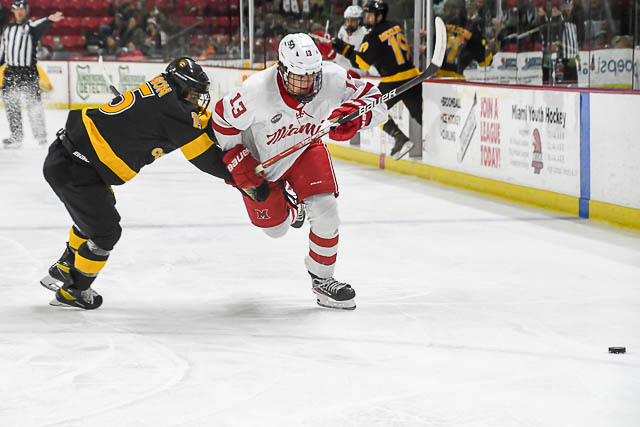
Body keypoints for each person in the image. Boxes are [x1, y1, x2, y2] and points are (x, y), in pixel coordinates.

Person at [211, 33, 387, 310]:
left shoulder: (333, 77)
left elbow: (378, 102)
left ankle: (322, 280)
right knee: (275, 230)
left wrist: (356, 116)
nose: (307, 84)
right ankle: (293, 207)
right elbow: (221, 120)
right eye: (298, 77)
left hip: (305, 148)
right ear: (281, 70)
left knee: (327, 213)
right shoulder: (255, 91)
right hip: (263, 164)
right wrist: (238, 159)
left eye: (312, 76)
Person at [40, 57, 230, 310]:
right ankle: (74, 290)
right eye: (193, 94)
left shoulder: (162, 86)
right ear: (181, 87)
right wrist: (241, 178)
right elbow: (208, 160)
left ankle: (65, 266)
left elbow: (187, 119)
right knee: (106, 232)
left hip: (74, 159)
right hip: (78, 169)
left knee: (95, 217)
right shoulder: (176, 112)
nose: (197, 101)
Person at [331, 0, 418, 160]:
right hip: (413, 77)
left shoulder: (373, 34)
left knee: (371, 109)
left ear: (379, 16)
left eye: (370, 15)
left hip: (393, 81)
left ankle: (399, 137)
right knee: (420, 116)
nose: (367, 18)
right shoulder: (395, 26)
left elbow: (362, 63)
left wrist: (344, 49)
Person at [0, 0, 63, 148]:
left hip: (28, 71)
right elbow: (3, 51)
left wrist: (49, 20)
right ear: (13, 11)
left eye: (22, 9)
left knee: (34, 106)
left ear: (26, 11)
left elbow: (40, 25)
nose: (19, 12)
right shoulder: (7, 29)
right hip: (11, 71)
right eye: (17, 9)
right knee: (11, 105)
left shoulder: (31, 27)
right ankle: (16, 136)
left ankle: (41, 137)